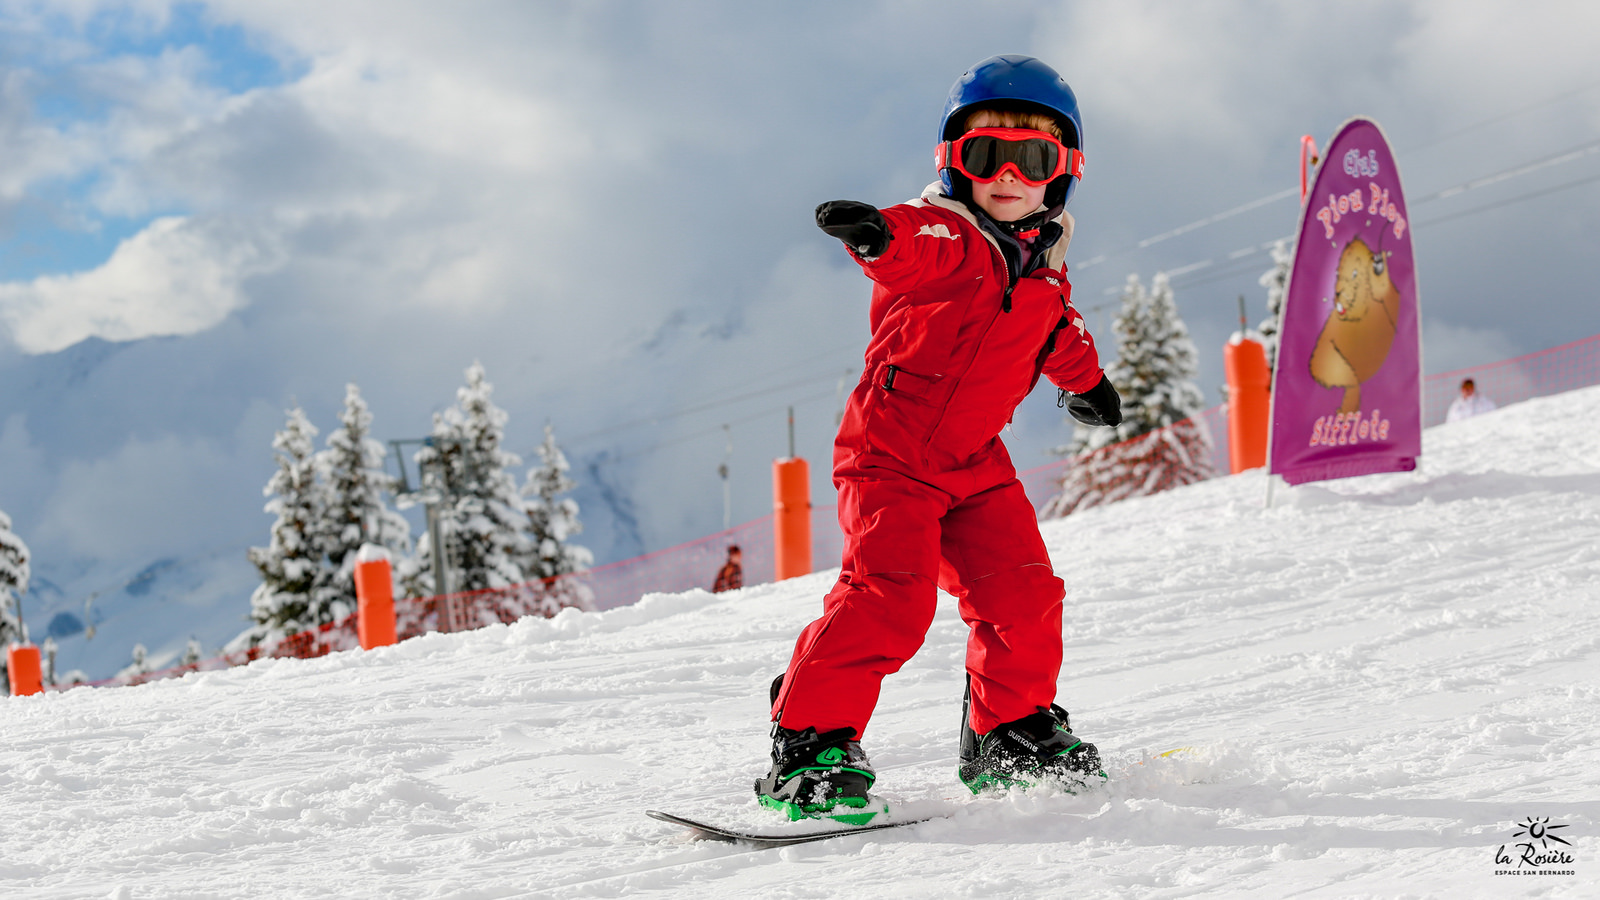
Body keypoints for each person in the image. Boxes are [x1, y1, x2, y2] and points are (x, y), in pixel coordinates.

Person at [756, 55, 1124, 820]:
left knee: (1024, 592)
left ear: (1065, 172)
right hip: (890, 453)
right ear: (955, 163)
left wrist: (1086, 384)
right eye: (988, 155)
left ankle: (1009, 733)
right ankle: (809, 741)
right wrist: (875, 235)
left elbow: (1060, 331)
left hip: (975, 462)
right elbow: (911, 239)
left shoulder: (1044, 270)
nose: (1010, 175)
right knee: (891, 599)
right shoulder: (950, 238)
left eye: (1035, 159)